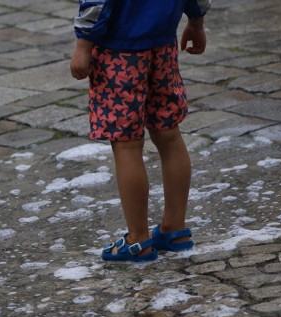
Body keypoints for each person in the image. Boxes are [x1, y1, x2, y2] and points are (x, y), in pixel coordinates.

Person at [70, 0, 210, 262]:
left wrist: (83, 43)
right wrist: (196, 19)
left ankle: (137, 239)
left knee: (126, 144)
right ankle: (175, 229)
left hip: (118, 50)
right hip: (163, 45)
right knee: (169, 134)